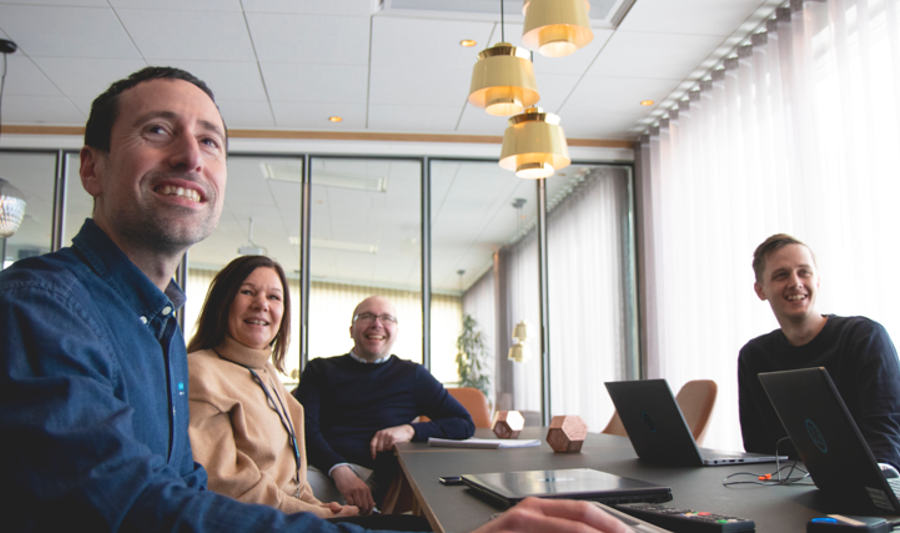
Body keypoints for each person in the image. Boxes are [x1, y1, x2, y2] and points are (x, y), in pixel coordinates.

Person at [0, 66, 629, 533]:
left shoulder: (157, 321)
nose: (191, 156)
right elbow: (125, 504)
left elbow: (180, 485)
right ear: (91, 169)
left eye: (211, 141)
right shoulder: (42, 307)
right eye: (157, 130)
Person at [186, 255, 356, 518]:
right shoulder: (199, 372)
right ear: (223, 301)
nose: (261, 304)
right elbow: (227, 487)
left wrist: (318, 506)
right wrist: (320, 516)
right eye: (247, 292)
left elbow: (292, 480)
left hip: (291, 517)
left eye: (274, 297)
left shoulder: (265, 371)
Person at [295, 296, 475, 513]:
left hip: (364, 475)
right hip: (313, 465)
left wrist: (409, 430)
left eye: (386, 318)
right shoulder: (320, 369)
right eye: (367, 316)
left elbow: (464, 423)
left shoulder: (413, 375)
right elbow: (304, 428)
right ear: (351, 329)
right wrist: (338, 469)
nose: (377, 324)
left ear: (396, 331)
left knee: (283, 503)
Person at [738, 233, 900, 467]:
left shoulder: (865, 337)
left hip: (866, 487)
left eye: (804, 272)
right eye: (781, 275)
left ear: (818, 281)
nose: (795, 282)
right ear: (760, 290)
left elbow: (885, 438)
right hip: (789, 492)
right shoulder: (753, 355)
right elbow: (759, 450)